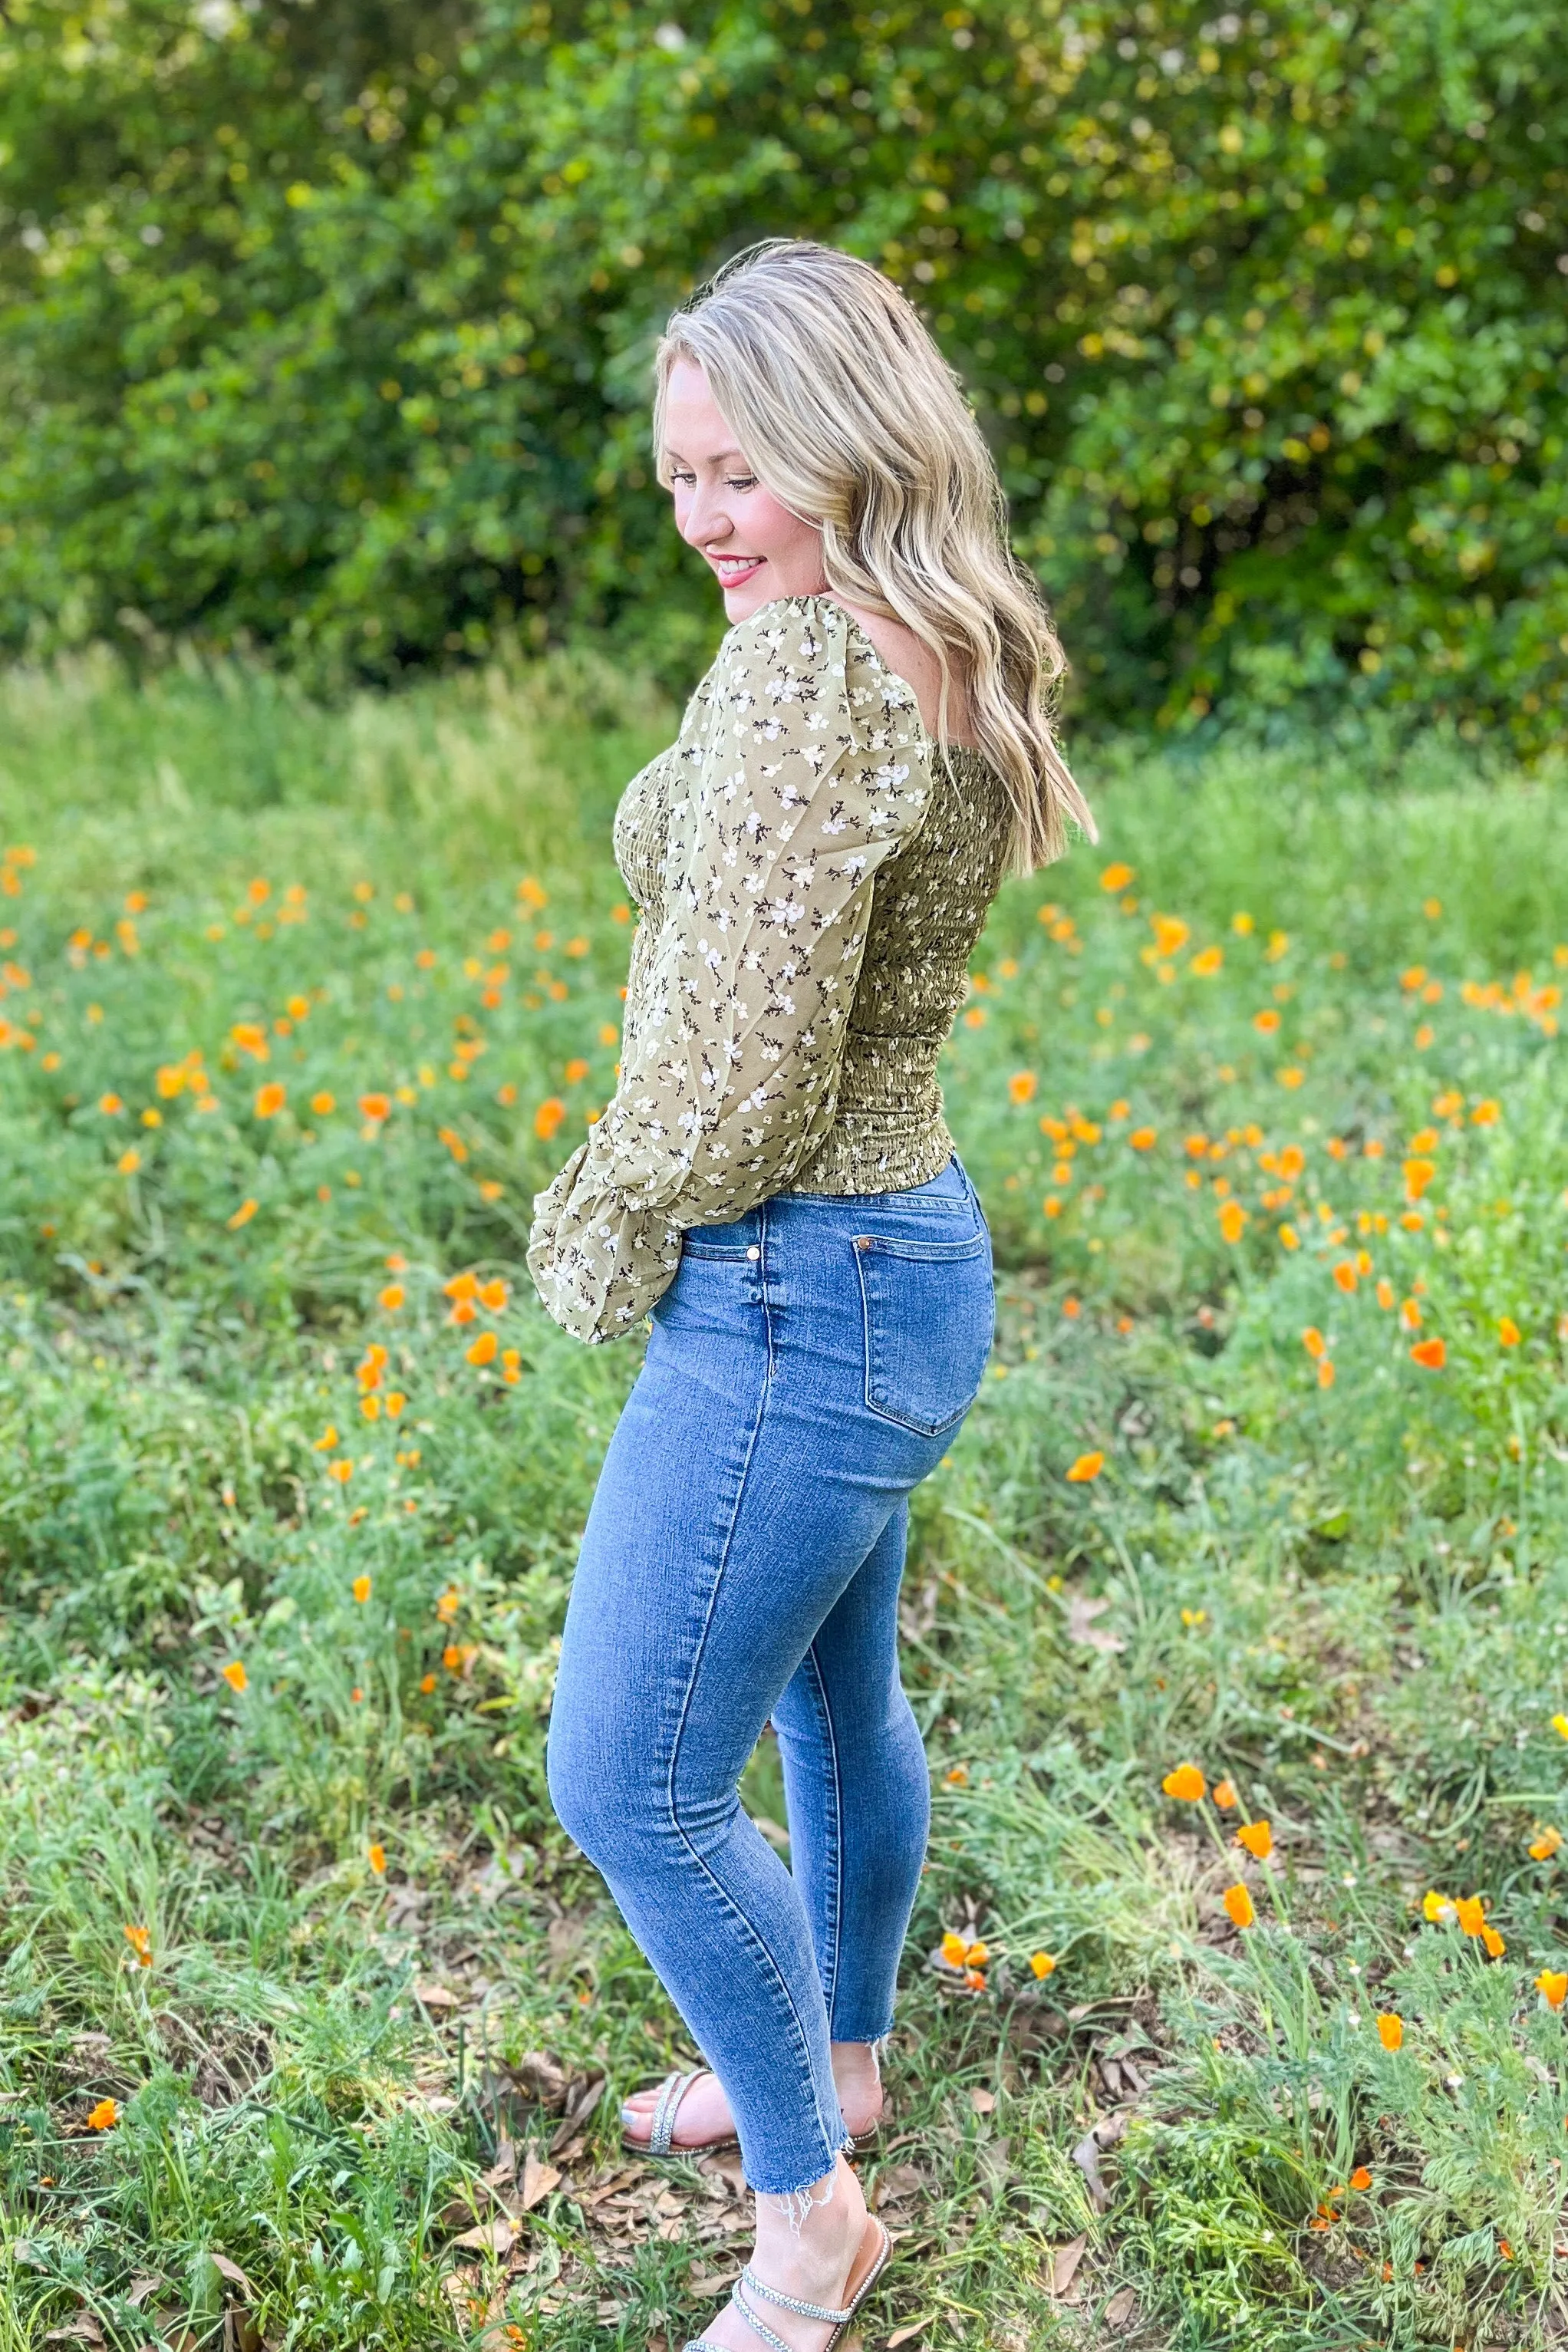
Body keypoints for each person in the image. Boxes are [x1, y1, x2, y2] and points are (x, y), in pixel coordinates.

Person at [528, 237, 1092, 2352]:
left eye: (737, 470)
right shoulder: (921, 641)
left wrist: (607, 1213)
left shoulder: (801, 674)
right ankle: (834, 2060)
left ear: (847, 450)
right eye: (677, 476)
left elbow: (737, 1057)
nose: (700, 520)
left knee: (627, 1777)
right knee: (826, 1713)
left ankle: (806, 2219)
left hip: (791, 1280)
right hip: (899, 1259)